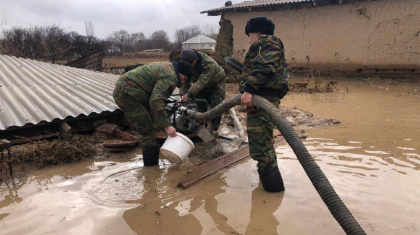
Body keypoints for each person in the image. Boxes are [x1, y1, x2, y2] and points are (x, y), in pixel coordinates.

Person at [240, 17, 290, 192]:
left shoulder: (266, 42)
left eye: (250, 34)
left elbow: (264, 67)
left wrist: (248, 90)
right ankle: (268, 187)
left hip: (262, 99)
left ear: (258, 32)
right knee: (264, 143)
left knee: (261, 146)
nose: (249, 39)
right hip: (263, 98)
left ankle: (273, 191)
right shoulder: (270, 44)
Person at [113, 61, 193, 166]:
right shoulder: (171, 77)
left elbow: (156, 100)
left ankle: (153, 150)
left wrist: (161, 122)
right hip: (127, 95)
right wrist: (166, 125)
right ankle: (151, 168)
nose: (183, 82)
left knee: (152, 119)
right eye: (184, 78)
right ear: (181, 73)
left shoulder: (168, 68)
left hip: (134, 90)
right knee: (147, 129)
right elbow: (156, 101)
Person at [179, 49, 226, 133]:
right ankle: (201, 126)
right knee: (199, 102)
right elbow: (184, 81)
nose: (189, 66)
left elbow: (201, 82)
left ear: (196, 59)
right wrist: (183, 95)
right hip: (200, 83)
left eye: (191, 65)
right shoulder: (185, 63)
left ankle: (214, 128)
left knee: (216, 105)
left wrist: (188, 94)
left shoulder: (208, 64)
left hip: (216, 82)